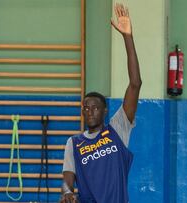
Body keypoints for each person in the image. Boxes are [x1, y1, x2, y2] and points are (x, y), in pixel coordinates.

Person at [59, 3, 141, 203]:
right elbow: (67, 178)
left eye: (95, 107)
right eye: (86, 107)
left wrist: (127, 37)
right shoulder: (74, 143)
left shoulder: (118, 130)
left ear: (105, 111)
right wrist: (67, 191)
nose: (90, 111)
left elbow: (135, 83)